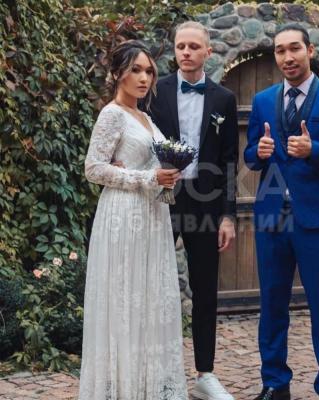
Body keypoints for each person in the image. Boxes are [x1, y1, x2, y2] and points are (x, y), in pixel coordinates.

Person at [244, 23, 319, 400]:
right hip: (271, 218)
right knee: (272, 305)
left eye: (294, 48)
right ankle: (274, 383)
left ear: (309, 51)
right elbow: (250, 156)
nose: (287, 57)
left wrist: (316, 150)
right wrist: (258, 153)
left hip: (316, 219)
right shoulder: (262, 100)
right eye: (280, 50)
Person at [79, 40, 187, 400]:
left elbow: (151, 167)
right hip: (123, 215)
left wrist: (167, 176)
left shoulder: (146, 117)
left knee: (149, 300)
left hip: (153, 216)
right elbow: (93, 168)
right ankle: (121, 390)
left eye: (149, 71)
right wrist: (145, 178)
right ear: (117, 74)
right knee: (125, 299)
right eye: (135, 70)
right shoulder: (112, 114)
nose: (144, 78)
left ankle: (146, 386)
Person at [150, 21, 239, 400]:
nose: (185, 52)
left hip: (205, 204)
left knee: (205, 291)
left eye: (193, 46)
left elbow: (230, 160)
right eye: (180, 46)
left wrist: (229, 215)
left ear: (208, 52)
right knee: (151, 285)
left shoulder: (224, 99)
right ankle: (153, 371)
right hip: (160, 200)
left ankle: (205, 375)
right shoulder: (155, 91)